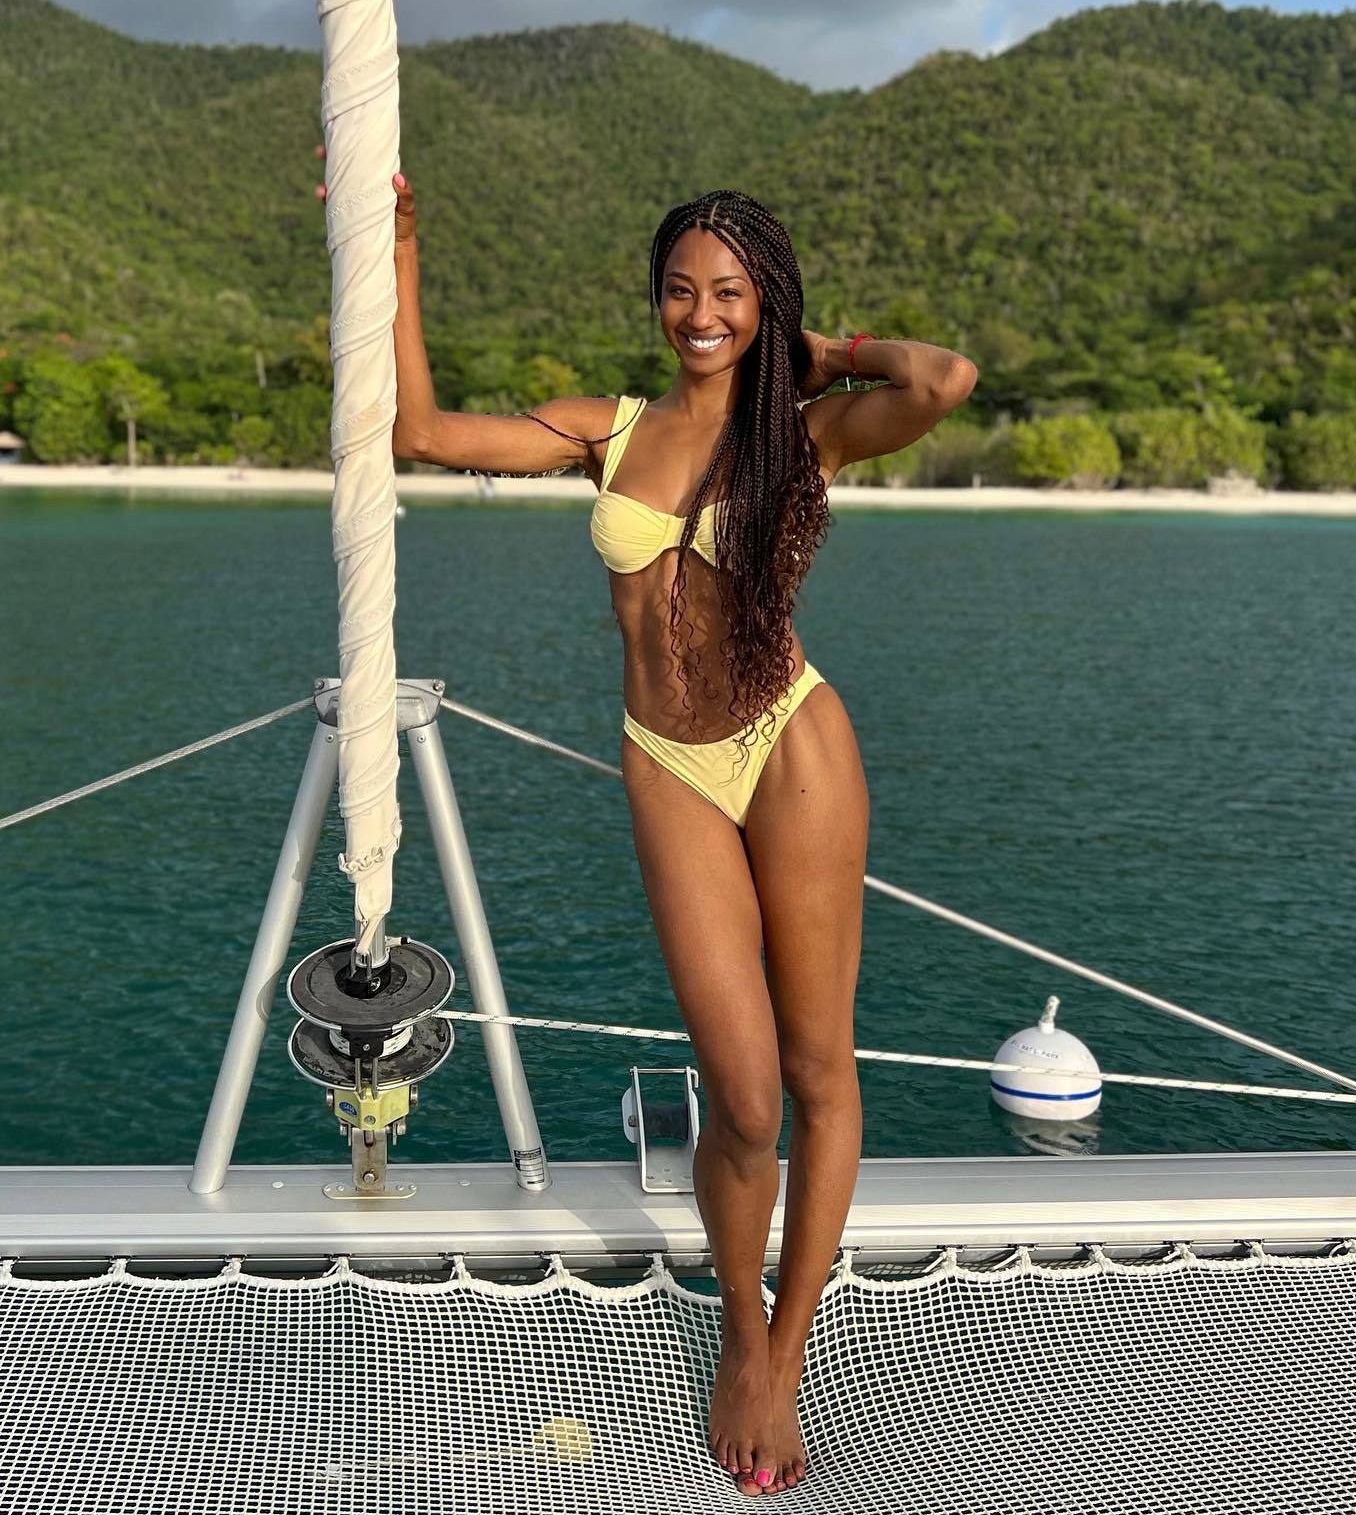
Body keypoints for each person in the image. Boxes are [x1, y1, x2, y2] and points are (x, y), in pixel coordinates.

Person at [386, 175, 977, 1496]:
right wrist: (401, 252)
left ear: (766, 302)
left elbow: (944, 378)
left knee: (819, 1071)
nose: (700, 314)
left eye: (729, 293)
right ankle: (736, 1321)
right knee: (745, 1094)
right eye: (679, 290)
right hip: (669, 761)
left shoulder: (808, 436)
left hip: (791, 745)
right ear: (654, 300)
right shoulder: (610, 429)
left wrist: (821, 352)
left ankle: (782, 1351)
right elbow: (419, 431)